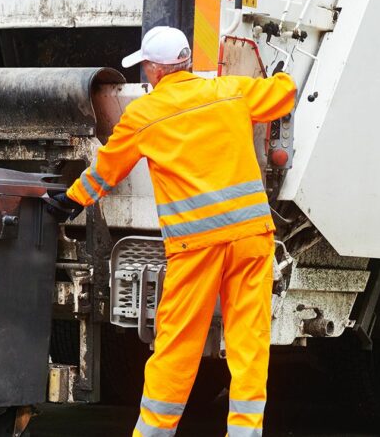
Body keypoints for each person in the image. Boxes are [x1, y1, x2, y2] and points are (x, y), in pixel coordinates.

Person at [48, 26, 296, 437]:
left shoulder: (144, 116)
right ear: (184, 64)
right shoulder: (230, 91)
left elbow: (107, 170)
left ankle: (153, 433)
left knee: (178, 346)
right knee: (249, 343)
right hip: (252, 239)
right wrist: (282, 72)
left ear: (154, 70)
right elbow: (282, 95)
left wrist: (70, 201)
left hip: (196, 248)